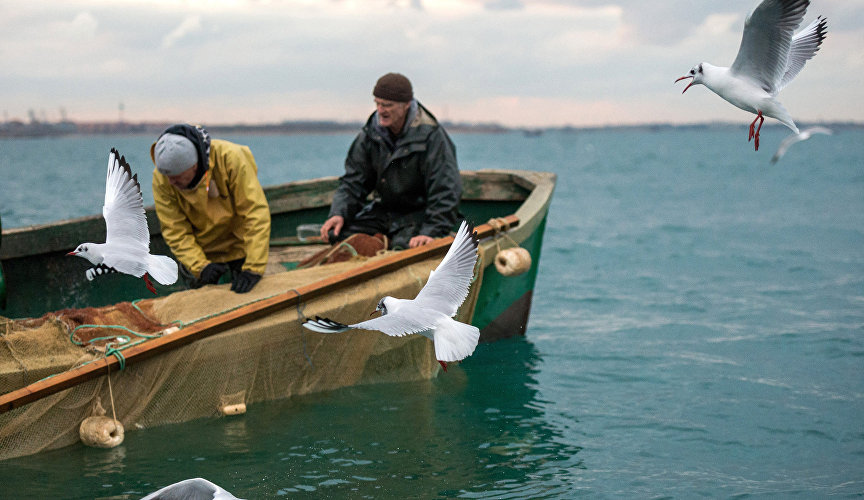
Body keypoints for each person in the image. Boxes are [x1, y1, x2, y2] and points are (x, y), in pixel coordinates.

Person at [320, 72, 462, 249]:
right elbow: (353, 182)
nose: (380, 110)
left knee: (403, 250)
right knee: (341, 239)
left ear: (406, 106)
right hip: (383, 211)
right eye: (377, 103)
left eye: (387, 105)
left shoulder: (433, 137)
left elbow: (445, 190)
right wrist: (338, 213)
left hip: (418, 214)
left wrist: (431, 231)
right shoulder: (370, 134)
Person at [150, 124, 270, 293]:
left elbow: (255, 213)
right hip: (202, 256)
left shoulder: (232, 158)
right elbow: (175, 230)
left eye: (177, 177)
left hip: (241, 248)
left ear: (194, 165)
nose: (170, 183)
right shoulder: (162, 178)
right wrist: (201, 266)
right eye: (167, 177)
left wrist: (254, 268)